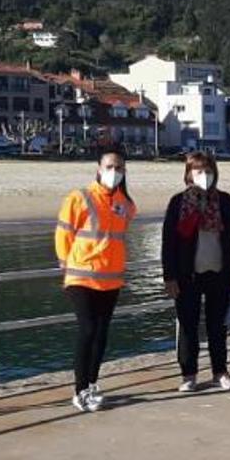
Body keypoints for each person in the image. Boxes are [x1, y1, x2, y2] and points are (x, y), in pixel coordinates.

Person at [55, 146, 137, 412]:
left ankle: (91, 384)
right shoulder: (80, 197)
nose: (114, 172)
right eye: (110, 167)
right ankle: (79, 390)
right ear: (99, 169)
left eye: (119, 168)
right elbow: (63, 234)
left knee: (101, 334)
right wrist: (67, 264)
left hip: (111, 279)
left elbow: (119, 237)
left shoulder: (125, 204)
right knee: (87, 330)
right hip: (81, 276)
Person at [161, 151, 230, 393]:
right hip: (187, 275)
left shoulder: (225, 201)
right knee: (187, 326)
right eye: (198, 171)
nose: (204, 176)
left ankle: (220, 371)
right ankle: (189, 374)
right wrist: (169, 277)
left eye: (208, 171)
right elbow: (168, 242)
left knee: (218, 326)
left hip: (219, 272)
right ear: (188, 175)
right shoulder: (178, 203)